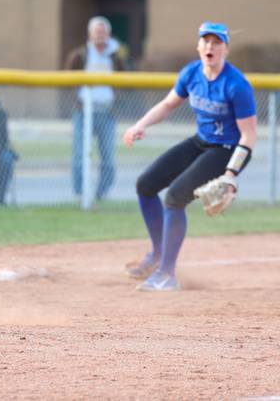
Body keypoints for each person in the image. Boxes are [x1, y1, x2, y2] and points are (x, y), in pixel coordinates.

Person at [123, 22, 256, 292]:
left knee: (175, 197)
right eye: (206, 41)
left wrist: (230, 175)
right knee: (145, 185)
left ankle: (167, 274)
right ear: (198, 46)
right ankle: (158, 255)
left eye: (217, 42)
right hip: (201, 142)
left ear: (225, 49)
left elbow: (249, 136)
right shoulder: (191, 74)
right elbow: (169, 104)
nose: (210, 46)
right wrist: (141, 125)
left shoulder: (236, 85)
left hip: (227, 150)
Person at [63, 16, 127, 201]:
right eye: (97, 32)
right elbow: (66, 78)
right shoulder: (80, 55)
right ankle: (80, 192)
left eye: (103, 32)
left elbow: (126, 78)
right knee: (79, 155)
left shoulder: (115, 56)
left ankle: (102, 193)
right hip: (83, 112)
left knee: (108, 156)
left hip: (107, 112)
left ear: (108, 34)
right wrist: (75, 99)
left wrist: (116, 55)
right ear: (90, 34)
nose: (100, 35)